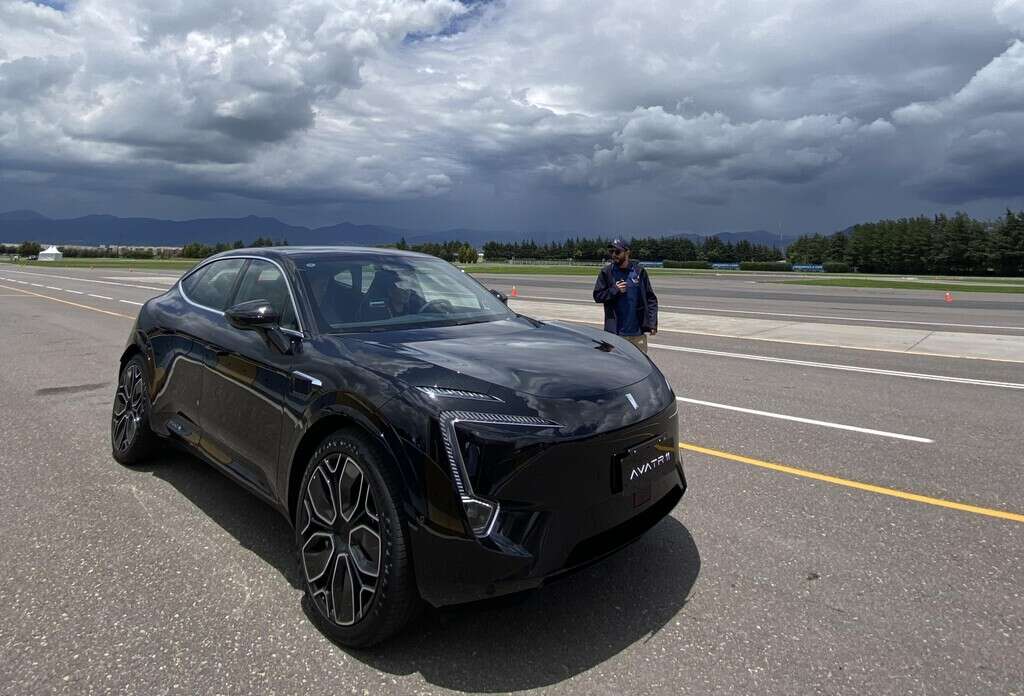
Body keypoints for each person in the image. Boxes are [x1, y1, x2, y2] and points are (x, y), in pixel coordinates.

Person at [592, 239, 658, 353]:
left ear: (627, 252)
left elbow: (650, 298)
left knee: (640, 368)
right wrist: (614, 290)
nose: (613, 255)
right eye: (611, 251)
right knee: (615, 368)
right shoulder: (606, 272)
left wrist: (652, 323)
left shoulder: (639, 272)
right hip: (614, 334)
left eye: (617, 252)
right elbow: (597, 296)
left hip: (637, 334)